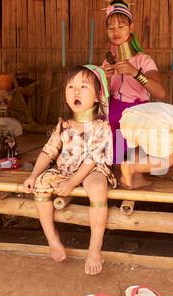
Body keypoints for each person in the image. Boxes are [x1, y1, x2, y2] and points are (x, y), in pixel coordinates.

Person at [23, 65, 116, 276]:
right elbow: (49, 151)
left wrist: (73, 182)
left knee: (97, 188)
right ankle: (52, 239)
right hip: (65, 169)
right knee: (40, 185)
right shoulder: (63, 125)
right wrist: (34, 175)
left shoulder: (102, 127)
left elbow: (93, 159)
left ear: (97, 97)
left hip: (93, 169)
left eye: (84, 87)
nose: (76, 91)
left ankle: (94, 247)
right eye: (71, 86)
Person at [102, 0, 166, 164]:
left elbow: (160, 93)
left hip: (138, 117)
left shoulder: (143, 60)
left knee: (138, 161)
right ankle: (117, 168)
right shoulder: (108, 61)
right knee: (114, 160)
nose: (116, 32)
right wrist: (105, 79)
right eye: (111, 27)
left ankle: (135, 172)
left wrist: (135, 73)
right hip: (115, 116)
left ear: (131, 28)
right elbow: (102, 95)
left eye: (121, 26)